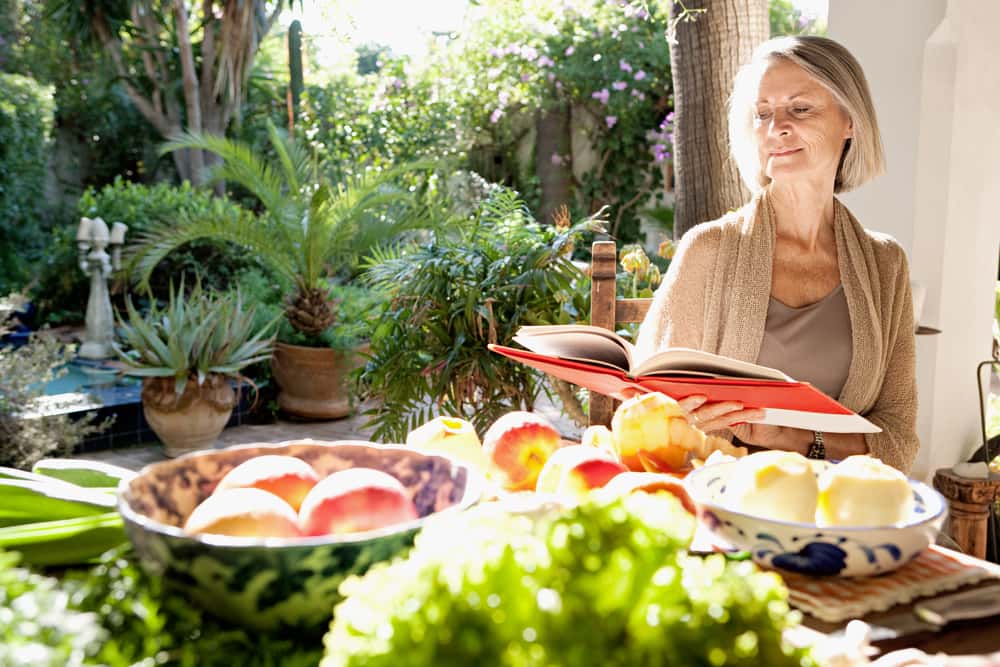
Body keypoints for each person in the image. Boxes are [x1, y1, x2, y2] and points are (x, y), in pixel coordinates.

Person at [634, 35, 918, 473]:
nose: (775, 128)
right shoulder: (708, 249)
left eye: (800, 109)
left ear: (850, 121)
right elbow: (643, 412)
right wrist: (680, 417)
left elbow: (899, 439)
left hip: (840, 504)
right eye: (763, 113)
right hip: (716, 496)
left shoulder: (886, 265)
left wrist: (789, 437)